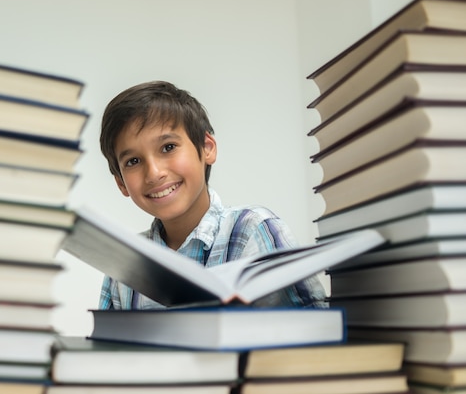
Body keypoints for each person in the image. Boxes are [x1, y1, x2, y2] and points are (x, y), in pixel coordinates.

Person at [98, 80, 326, 310]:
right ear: (121, 182)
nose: (154, 173)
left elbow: (316, 328)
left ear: (207, 148)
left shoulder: (254, 230)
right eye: (133, 161)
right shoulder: (124, 265)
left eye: (168, 147)